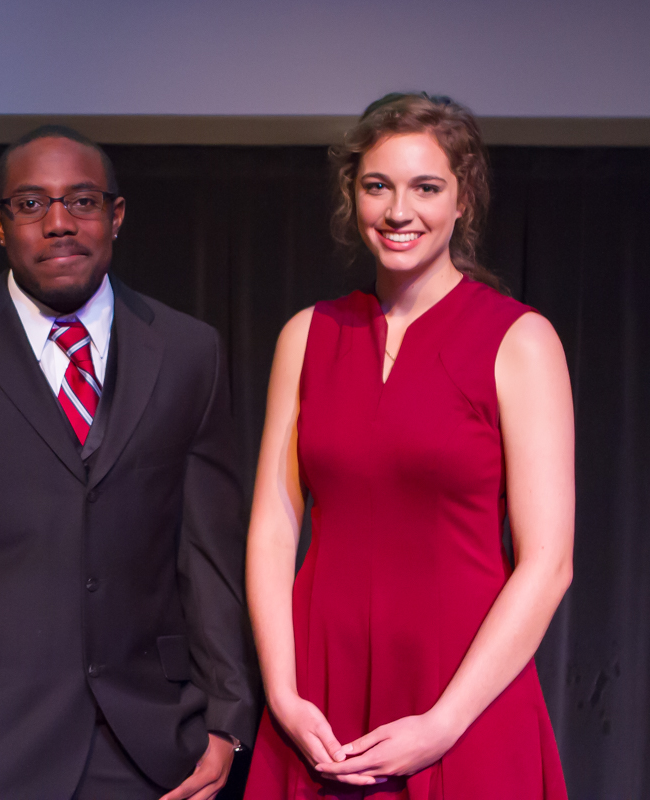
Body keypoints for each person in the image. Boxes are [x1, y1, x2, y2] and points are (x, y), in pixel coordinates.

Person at [0, 126, 257, 800]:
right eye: (30, 204)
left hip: (154, 747)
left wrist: (227, 719)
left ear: (117, 215)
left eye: (81, 201)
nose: (58, 223)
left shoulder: (192, 352)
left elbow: (209, 557)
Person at [243, 93, 573, 798]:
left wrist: (444, 723)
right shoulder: (308, 335)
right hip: (320, 704)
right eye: (377, 186)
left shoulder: (520, 340)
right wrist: (282, 691)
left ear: (464, 200)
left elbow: (548, 564)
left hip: (463, 697)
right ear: (351, 196)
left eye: (426, 187)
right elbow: (274, 522)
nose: (399, 211)